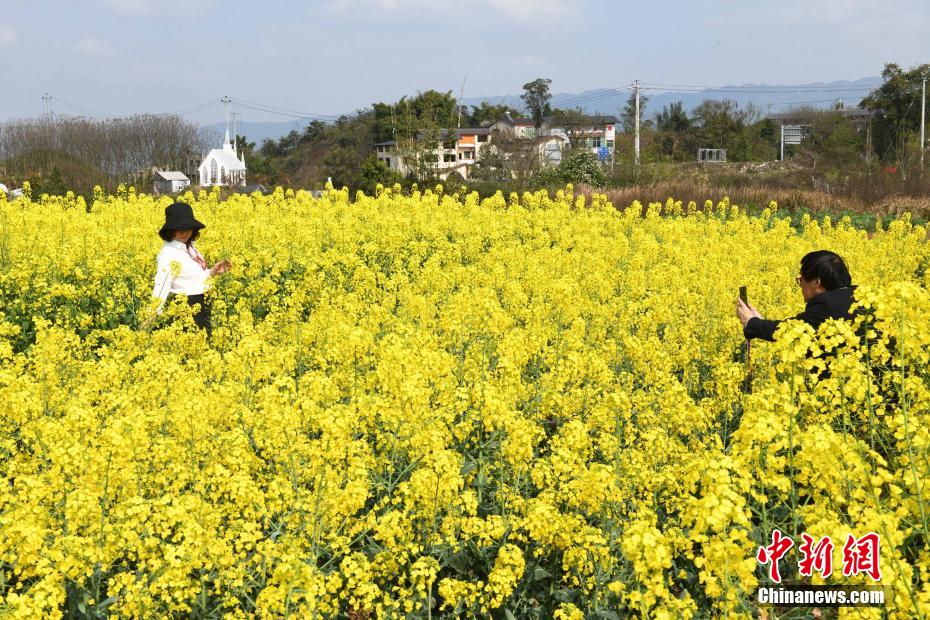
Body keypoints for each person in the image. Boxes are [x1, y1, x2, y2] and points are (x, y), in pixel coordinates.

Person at [736, 250, 856, 342]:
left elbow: (792, 331)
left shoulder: (825, 305)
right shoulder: (859, 296)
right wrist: (759, 321)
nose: (800, 286)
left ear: (817, 283)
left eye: (801, 280)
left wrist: (750, 322)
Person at [150, 202, 230, 334]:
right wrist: (150, 318)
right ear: (170, 230)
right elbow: (161, 285)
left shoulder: (189, 249)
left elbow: (192, 280)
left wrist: (212, 272)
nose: (185, 232)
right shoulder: (168, 253)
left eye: (188, 228)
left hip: (201, 306)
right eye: (179, 228)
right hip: (186, 310)